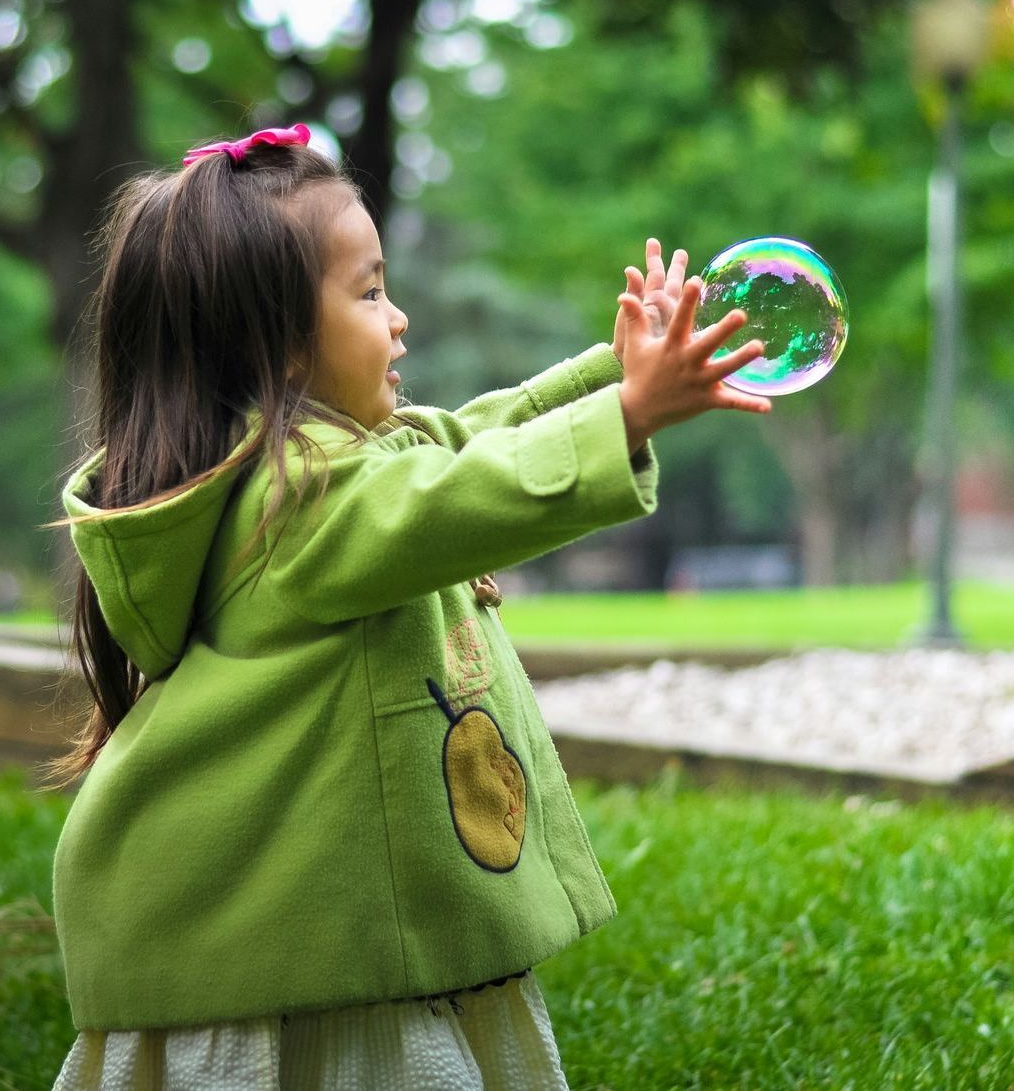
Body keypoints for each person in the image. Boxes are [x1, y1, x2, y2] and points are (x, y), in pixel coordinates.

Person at [42, 124, 769, 1090]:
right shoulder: (297, 504)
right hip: (305, 973)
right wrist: (627, 415)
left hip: (333, 942)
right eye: (370, 290)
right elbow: (463, 493)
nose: (400, 319)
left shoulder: (326, 468)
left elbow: (471, 435)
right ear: (283, 345)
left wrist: (611, 372)